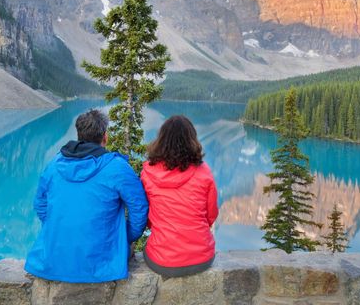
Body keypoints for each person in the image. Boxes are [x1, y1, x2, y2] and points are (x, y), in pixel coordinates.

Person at [25, 109, 148, 283]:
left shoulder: (54, 164)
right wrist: (125, 237)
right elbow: (139, 207)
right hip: (102, 263)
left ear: (79, 135)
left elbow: (40, 205)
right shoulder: (117, 167)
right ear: (105, 137)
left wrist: (60, 227)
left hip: (55, 258)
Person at [141, 115, 218, 277]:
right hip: (202, 258)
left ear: (161, 140)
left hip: (161, 259)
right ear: (192, 140)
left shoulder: (148, 172)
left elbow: (147, 217)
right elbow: (211, 215)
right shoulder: (204, 172)